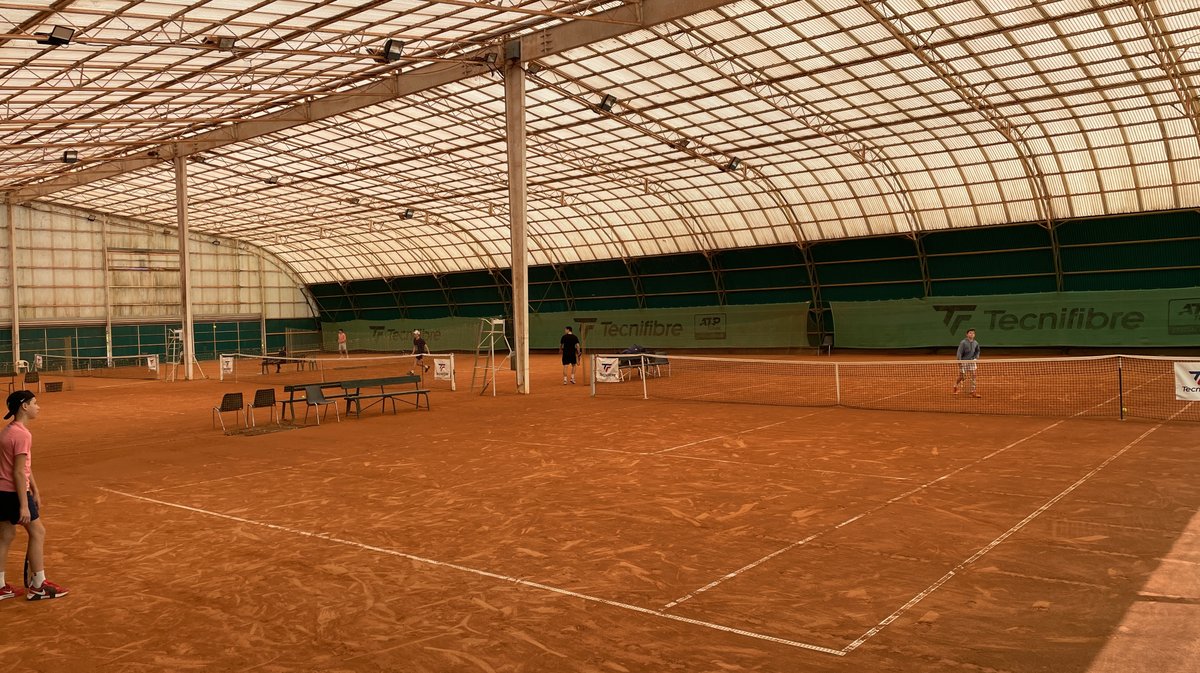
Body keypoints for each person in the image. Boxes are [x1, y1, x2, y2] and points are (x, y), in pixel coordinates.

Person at [0, 390, 68, 601]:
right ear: (24, 406)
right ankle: (38, 585)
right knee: (38, 532)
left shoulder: (8, 431)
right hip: (13, 492)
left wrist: (35, 490)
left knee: (6, 535)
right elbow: (19, 472)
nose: (38, 407)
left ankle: (0, 586)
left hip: (1, 491)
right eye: (34, 403)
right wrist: (24, 504)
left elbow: (23, 466)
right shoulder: (22, 435)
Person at [953, 328, 982, 398]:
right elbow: (959, 352)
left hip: (972, 361)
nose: (972, 334)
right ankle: (955, 386)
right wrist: (959, 361)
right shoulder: (963, 342)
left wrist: (976, 357)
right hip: (963, 361)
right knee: (961, 376)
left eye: (973, 333)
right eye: (970, 333)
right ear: (967, 334)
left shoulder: (976, 343)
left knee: (973, 375)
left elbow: (977, 351)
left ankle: (973, 391)